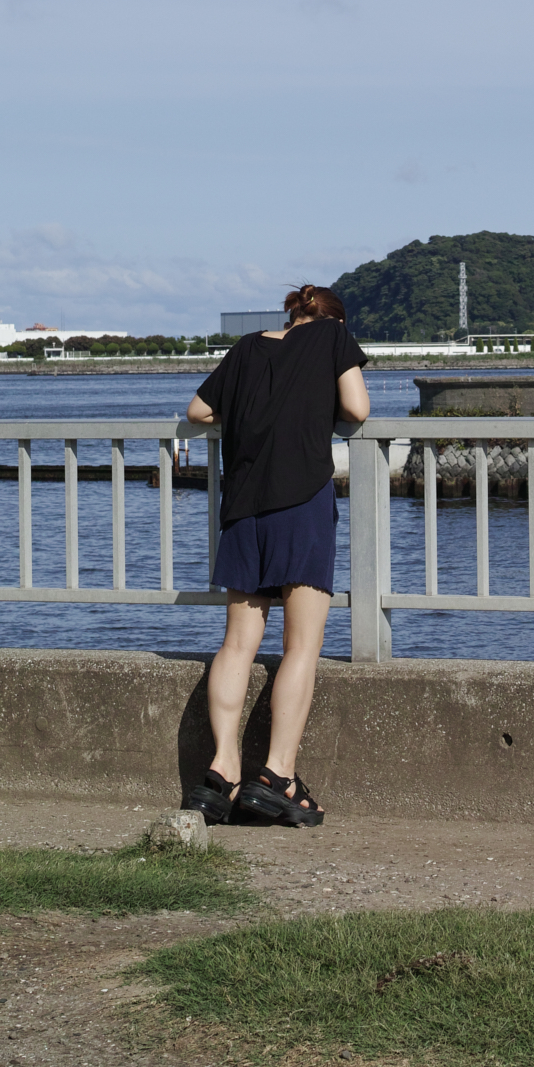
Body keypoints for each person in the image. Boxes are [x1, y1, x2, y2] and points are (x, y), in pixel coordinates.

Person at [183, 284, 370, 825]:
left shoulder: (246, 346)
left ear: (290, 316)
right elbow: (357, 408)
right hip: (302, 505)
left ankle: (222, 772)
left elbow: (198, 411)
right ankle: (278, 775)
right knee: (301, 648)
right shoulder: (333, 336)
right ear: (331, 319)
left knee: (237, 645)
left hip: (244, 506)